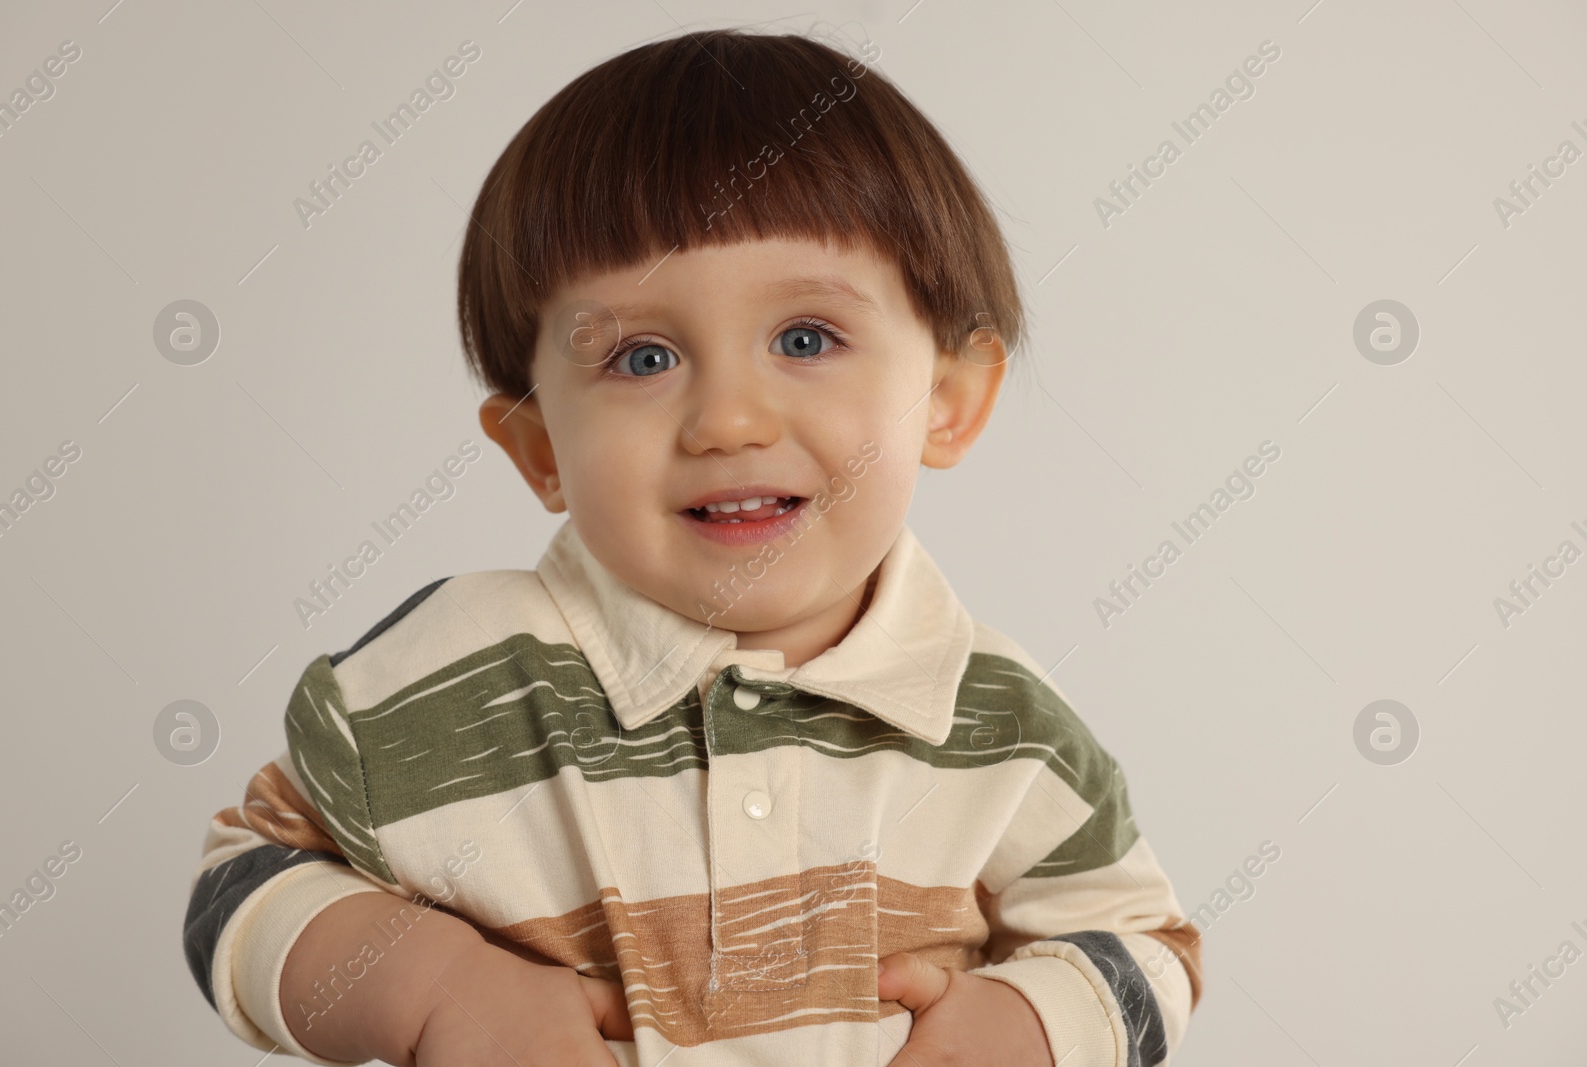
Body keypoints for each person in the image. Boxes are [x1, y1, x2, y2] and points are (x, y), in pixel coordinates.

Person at [182, 27, 1202, 1067]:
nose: (728, 419)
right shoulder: (449, 681)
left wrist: (1028, 1022)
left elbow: (1147, 946)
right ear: (539, 446)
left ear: (945, 400)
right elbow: (244, 884)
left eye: (805, 338)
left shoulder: (999, 724)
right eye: (643, 355)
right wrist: (441, 988)